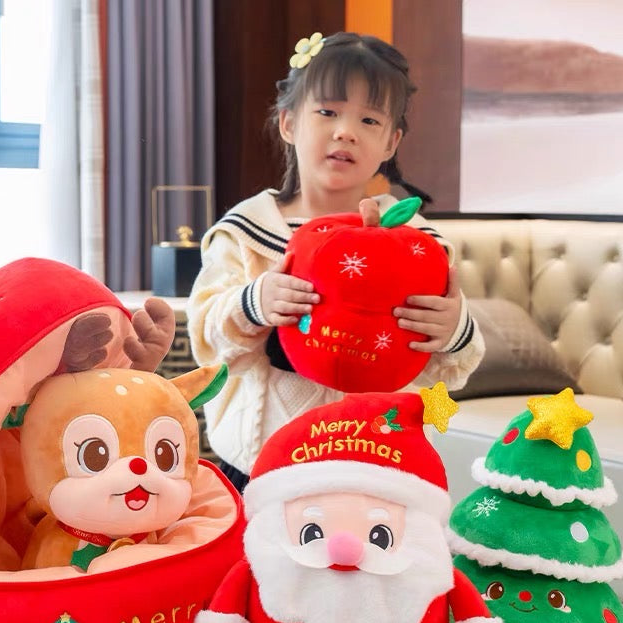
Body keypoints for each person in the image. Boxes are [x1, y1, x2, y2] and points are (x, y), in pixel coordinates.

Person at [187, 31, 484, 492]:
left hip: (377, 466)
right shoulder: (246, 232)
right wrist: (253, 303)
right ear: (288, 123)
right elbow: (205, 338)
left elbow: (455, 363)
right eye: (327, 112)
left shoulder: (416, 241)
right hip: (261, 468)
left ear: (391, 143)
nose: (346, 131)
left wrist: (451, 328)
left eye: (369, 119)